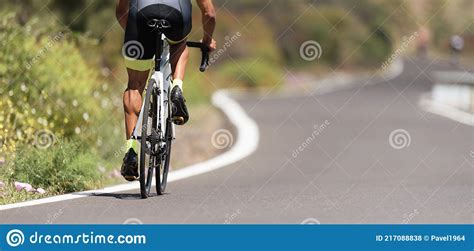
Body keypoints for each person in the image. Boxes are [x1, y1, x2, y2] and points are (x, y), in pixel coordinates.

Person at [116, 0, 216, 181]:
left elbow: (122, 11)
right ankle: (177, 88)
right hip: (176, 15)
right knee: (179, 44)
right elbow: (209, 13)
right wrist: (207, 40)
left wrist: (137, 35)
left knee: (134, 86)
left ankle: (131, 152)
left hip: (140, 16)